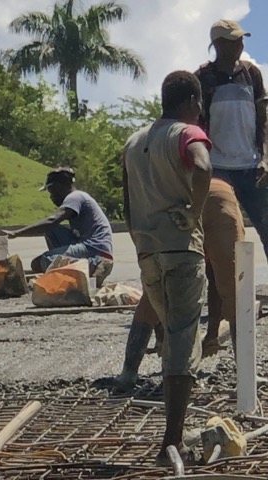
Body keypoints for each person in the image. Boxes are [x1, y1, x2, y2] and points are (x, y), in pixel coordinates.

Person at [123, 70, 212, 466]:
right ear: (193, 102)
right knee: (182, 341)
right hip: (181, 250)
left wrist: (140, 239)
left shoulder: (134, 141)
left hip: (148, 253)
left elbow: (126, 202)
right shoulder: (186, 134)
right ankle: (171, 445)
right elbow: (203, 167)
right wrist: (194, 213)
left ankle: (169, 440)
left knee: (170, 335)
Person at [114, 177, 245, 390]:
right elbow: (218, 283)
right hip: (210, 197)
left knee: (156, 285)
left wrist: (212, 333)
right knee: (235, 286)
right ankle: (246, 375)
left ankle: (128, 373)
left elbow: (211, 282)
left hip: (172, 201)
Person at [195, 19, 268, 259]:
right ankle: (221, 293)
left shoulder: (250, 74)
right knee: (221, 233)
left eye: (240, 39)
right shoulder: (203, 78)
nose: (239, 44)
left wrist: (265, 158)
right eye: (233, 40)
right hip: (217, 171)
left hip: (252, 168)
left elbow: (262, 119)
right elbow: (196, 125)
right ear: (217, 44)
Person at [2, 167, 113, 278]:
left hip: (95, 249)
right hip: (85, 244)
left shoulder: (75, 197)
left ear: (59, 186)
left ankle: (94, 265)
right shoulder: (77, 197)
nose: (51, 196)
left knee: (39, 263)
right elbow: (51, 225)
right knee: (53, 230)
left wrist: (16, 233)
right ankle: (62, 265)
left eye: (51, 190)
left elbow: (52, 220)